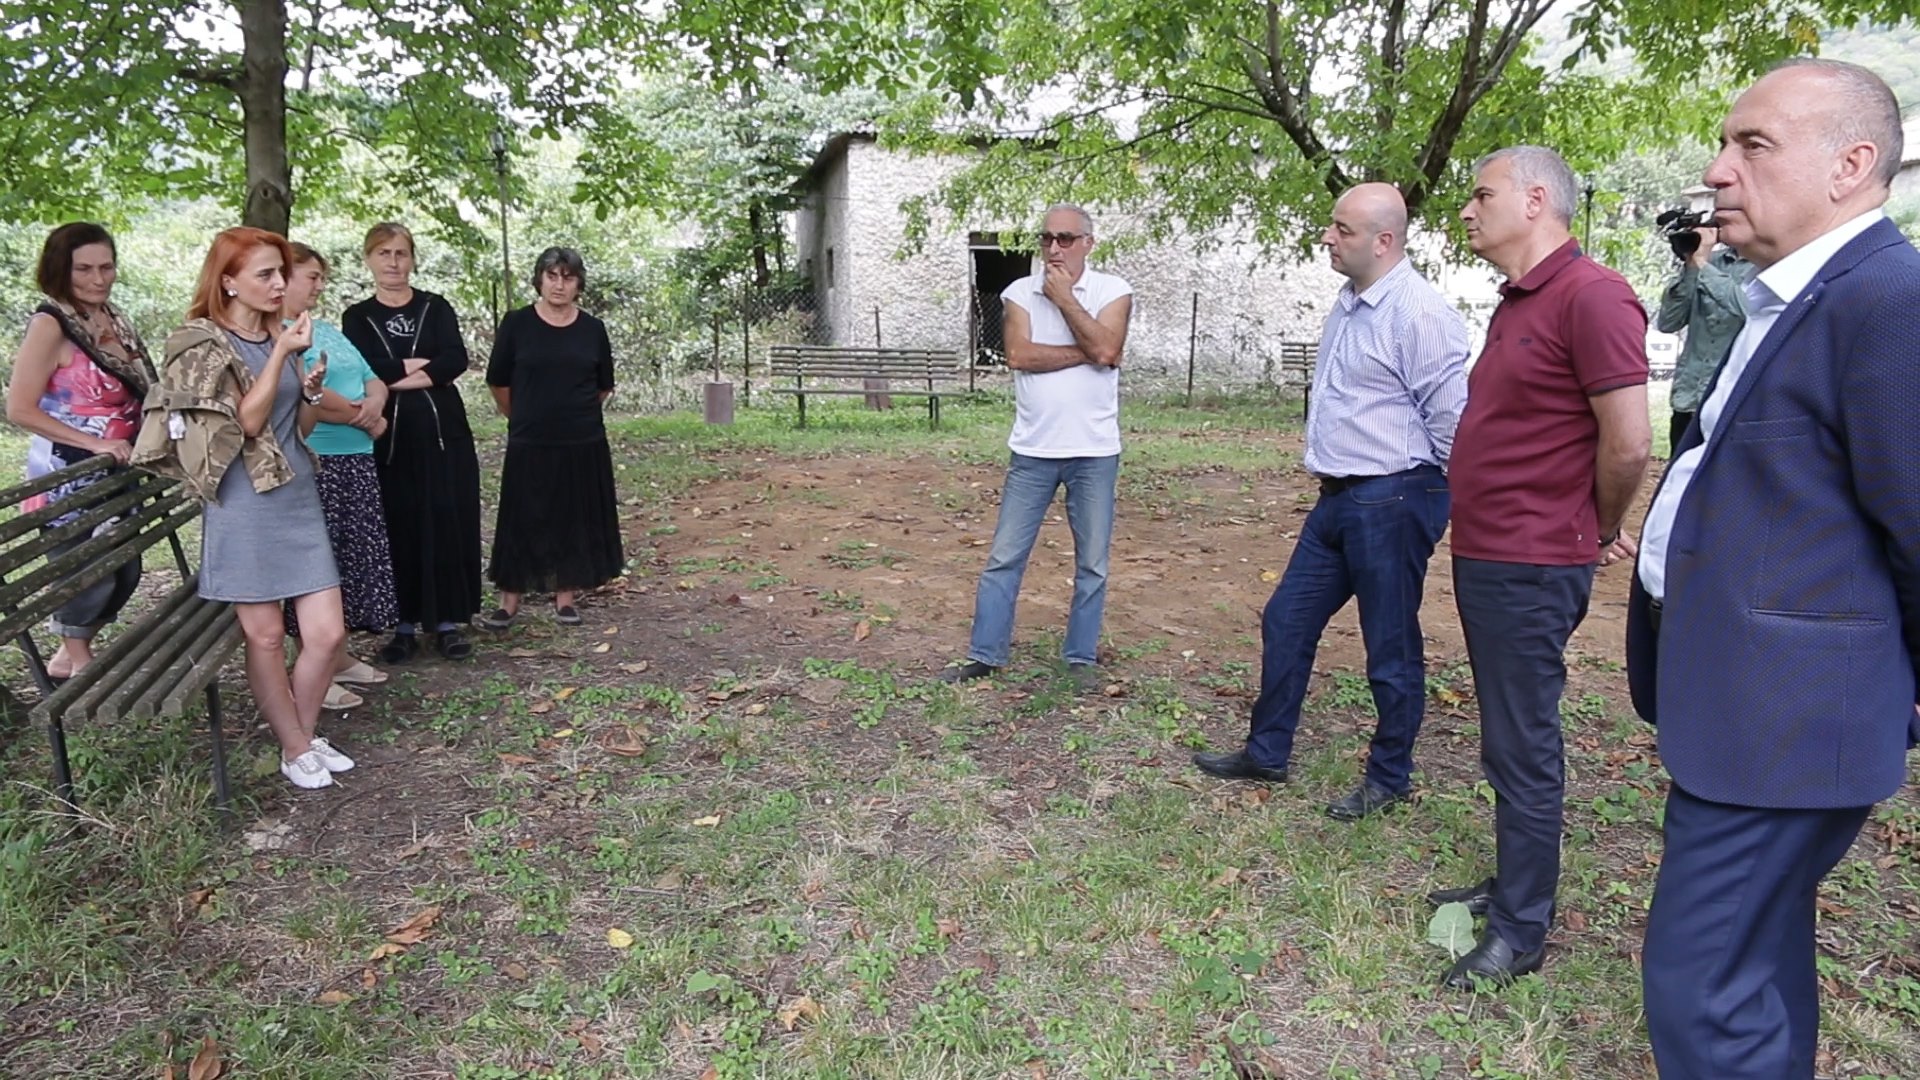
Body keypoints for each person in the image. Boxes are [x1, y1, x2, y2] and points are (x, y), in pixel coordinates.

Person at [1626, 60, 1919, 1079]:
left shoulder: (1889, 299)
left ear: (1851, 165)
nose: (1719, 169)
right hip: (1757, 714)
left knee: (1701, 986)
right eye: (1724, 143)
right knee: (1754, 955)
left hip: (1791, 723)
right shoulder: (1795, 294)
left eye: (1753, 145)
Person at [1428, 146, 1651, 989]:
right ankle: (1513, 883)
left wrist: (1597, 526)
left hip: (1530, 560)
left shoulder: (1593, 295)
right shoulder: (1522, 299)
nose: (1467, 209)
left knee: (1523, 742)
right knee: (1506, 734)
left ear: (1534, 200)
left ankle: (1522, 930)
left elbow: (1628, 442)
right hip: (1491, 551)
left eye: (1481, 194)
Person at [1190, 183, 1469, 820]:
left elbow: (1453, 423)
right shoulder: (1349, 304)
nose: (1327, 237)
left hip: (1394, 496)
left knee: (1389, 645)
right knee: (1286, 619)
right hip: (1339, 498)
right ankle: (1267, 752)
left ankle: (1390, 778)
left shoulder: (1420, 314)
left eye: (1343, 229)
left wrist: (1428, 500)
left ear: (1384, 240)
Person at [131, 227, 352, 790]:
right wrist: (281, 355)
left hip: (296, 495)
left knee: (327, 634)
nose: (280, 284)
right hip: (244, 503)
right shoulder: (202, 344)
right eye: (266, 274)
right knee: (268, 637)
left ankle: (301, 737)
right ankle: (295, 746)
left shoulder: (279, 334)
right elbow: (246, 425)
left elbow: (299, 430)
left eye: (282, 273)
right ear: (228, 282)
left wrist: (308, 391)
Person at [939, 204, 1133, 684]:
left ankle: (1080, 659)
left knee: (1092, 563)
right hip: (1032, 451)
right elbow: (1020, 355)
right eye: (1046, 239)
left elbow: (1108, 349)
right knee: (1004, 557)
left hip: (1094, 451)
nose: (1054, 248)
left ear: (1088, 242)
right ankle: (985, 655)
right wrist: (1090, 351)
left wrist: (1065, 300)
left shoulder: (1114, 290)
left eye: (1065, 238)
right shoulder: (1018, 292)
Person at [5, 223, 154, 682]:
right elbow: (19, 408)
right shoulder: (50, 324)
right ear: (60, 270)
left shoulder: (112, 318)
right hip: (69, 475)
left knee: (125, 569)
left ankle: (68, 656)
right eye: (84, 269)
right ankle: (79, 662)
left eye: (106, 267)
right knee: (87, 571)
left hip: (117, 470)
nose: (98, 278)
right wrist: (94, 443)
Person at [341, 223, 483, 663]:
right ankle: (402, 625)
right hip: (388, 442)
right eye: (383, 253)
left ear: (412, 259)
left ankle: (446, 622)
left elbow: (454, 359)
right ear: (369, 259)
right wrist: (419, 368)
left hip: (444, 437)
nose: (393, 262)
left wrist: (392, 376)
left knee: (446, 520)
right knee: (398, 524)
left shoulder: (435, 307)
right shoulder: (357, 317)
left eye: (401, 253)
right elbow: (363, 369)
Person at [281, 243, 398, 709]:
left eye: (321, 277)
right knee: (319, 563)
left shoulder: (326, 328)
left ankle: (340, 655)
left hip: (357, 458)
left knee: (349, 556)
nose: (319, 285)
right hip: (320, 458)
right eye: (311, 276)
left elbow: (373, 377)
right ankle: (311, 666)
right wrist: (364, 418)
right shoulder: (281, 334)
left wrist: (376, 404)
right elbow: (308, 392)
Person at [480, 247, 622, 628]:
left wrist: (573, 413)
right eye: (552, 276)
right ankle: (509, 600)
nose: (559, 285)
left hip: (582, 440)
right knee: (522, 515)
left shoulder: (593, 329)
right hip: (529, 437)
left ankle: (565, 597)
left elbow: (603, 385)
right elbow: (498, 380)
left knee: (572, 515)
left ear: (579, 284)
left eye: (568, 277)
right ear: (539, 279)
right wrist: (522, 415)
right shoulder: (516, 324)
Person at [1655, 225, 1749, 451]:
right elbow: (1669, 323)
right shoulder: (1706, 260)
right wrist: (1690, 263)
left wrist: (1702, 265)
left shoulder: (1771, 266)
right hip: (1688, 397)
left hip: (1734, 402)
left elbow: (1747, 308)